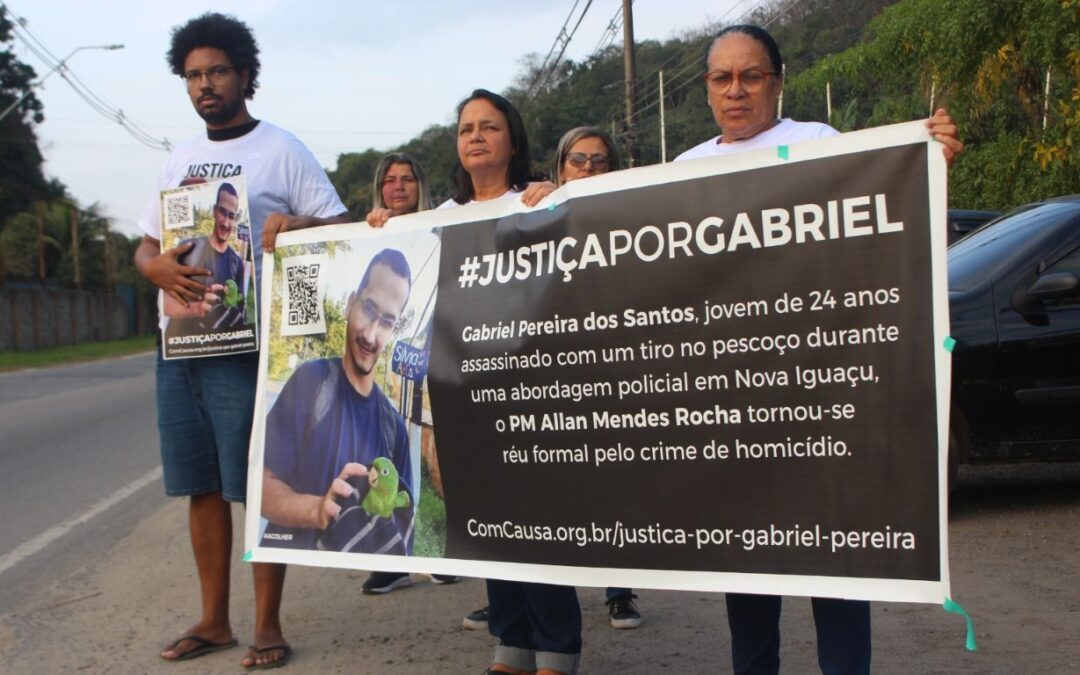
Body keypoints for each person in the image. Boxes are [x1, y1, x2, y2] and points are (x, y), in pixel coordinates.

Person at [674, 24, 963, 675]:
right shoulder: (682, 172)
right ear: (706, 90)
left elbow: (878, 232)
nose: (737, 90)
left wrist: (928, 164)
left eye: (752, 76)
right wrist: (560, 202)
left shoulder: (818, 144)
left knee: (836, 569)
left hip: (819, 407)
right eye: (723, 78)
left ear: (777, 82)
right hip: (732, 418)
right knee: (747, 584)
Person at [134, 12, 349, 670]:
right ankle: (213, 618)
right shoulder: (178, 157)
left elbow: (338, 225)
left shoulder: (282, 148)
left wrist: (297, 222)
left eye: (218, 71)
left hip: (249, 345)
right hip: (182, 346)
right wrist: (159, 268)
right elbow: (146, 245)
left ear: (246, 76)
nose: (206, 84)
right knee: (199, 485)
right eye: (194, 75)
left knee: (257, 483)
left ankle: (266, 623)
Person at [440, 88, 575, 675]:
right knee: (491, 522)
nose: (476, 136)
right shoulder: (439, 220)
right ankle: (512, 644)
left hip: (532, 391)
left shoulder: (541, 201)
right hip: (465, 396)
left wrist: (563, 197)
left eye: (489, 127)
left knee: (541, 523)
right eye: (467, 127)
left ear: (511, 140)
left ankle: (558, 649)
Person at [261, 248, 415, 556]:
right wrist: (318, 509)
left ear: (393, 330)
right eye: (368, 310)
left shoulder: (394, 429)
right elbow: (261, 487)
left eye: (385, 322)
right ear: (350, 304)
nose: (371, 336)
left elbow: (403, 520)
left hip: (351, 589)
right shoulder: (311, 381)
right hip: (294, 575)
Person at [552, 126, 644, 631]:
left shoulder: (629, 218)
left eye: (600, 161)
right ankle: (526, 597)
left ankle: (619, 591)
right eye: (578, 160)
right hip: (552, 376)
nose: (588, 169)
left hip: (612, 374)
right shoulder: (535, 215)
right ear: (559, 166)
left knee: (613, 485)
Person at [354, 154, 459, 593]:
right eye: (390, 181)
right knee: (389, 467)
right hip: (393, 379)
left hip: (439, 372)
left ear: (422, 185)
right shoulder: (370, 235)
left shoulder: (442, 226)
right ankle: (394, 558)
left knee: (440, 466)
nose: (398, 187)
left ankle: (448, 551)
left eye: (408, 179)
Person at [164, 181, 247, 334]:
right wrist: (197, 308)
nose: (227, 223)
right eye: (223, 212)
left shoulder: (237, 264)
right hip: (183, 349)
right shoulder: (187, 248)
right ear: (215, 211)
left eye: (231, 216)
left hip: (223, 351)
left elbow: (240, 313)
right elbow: (165, 302)